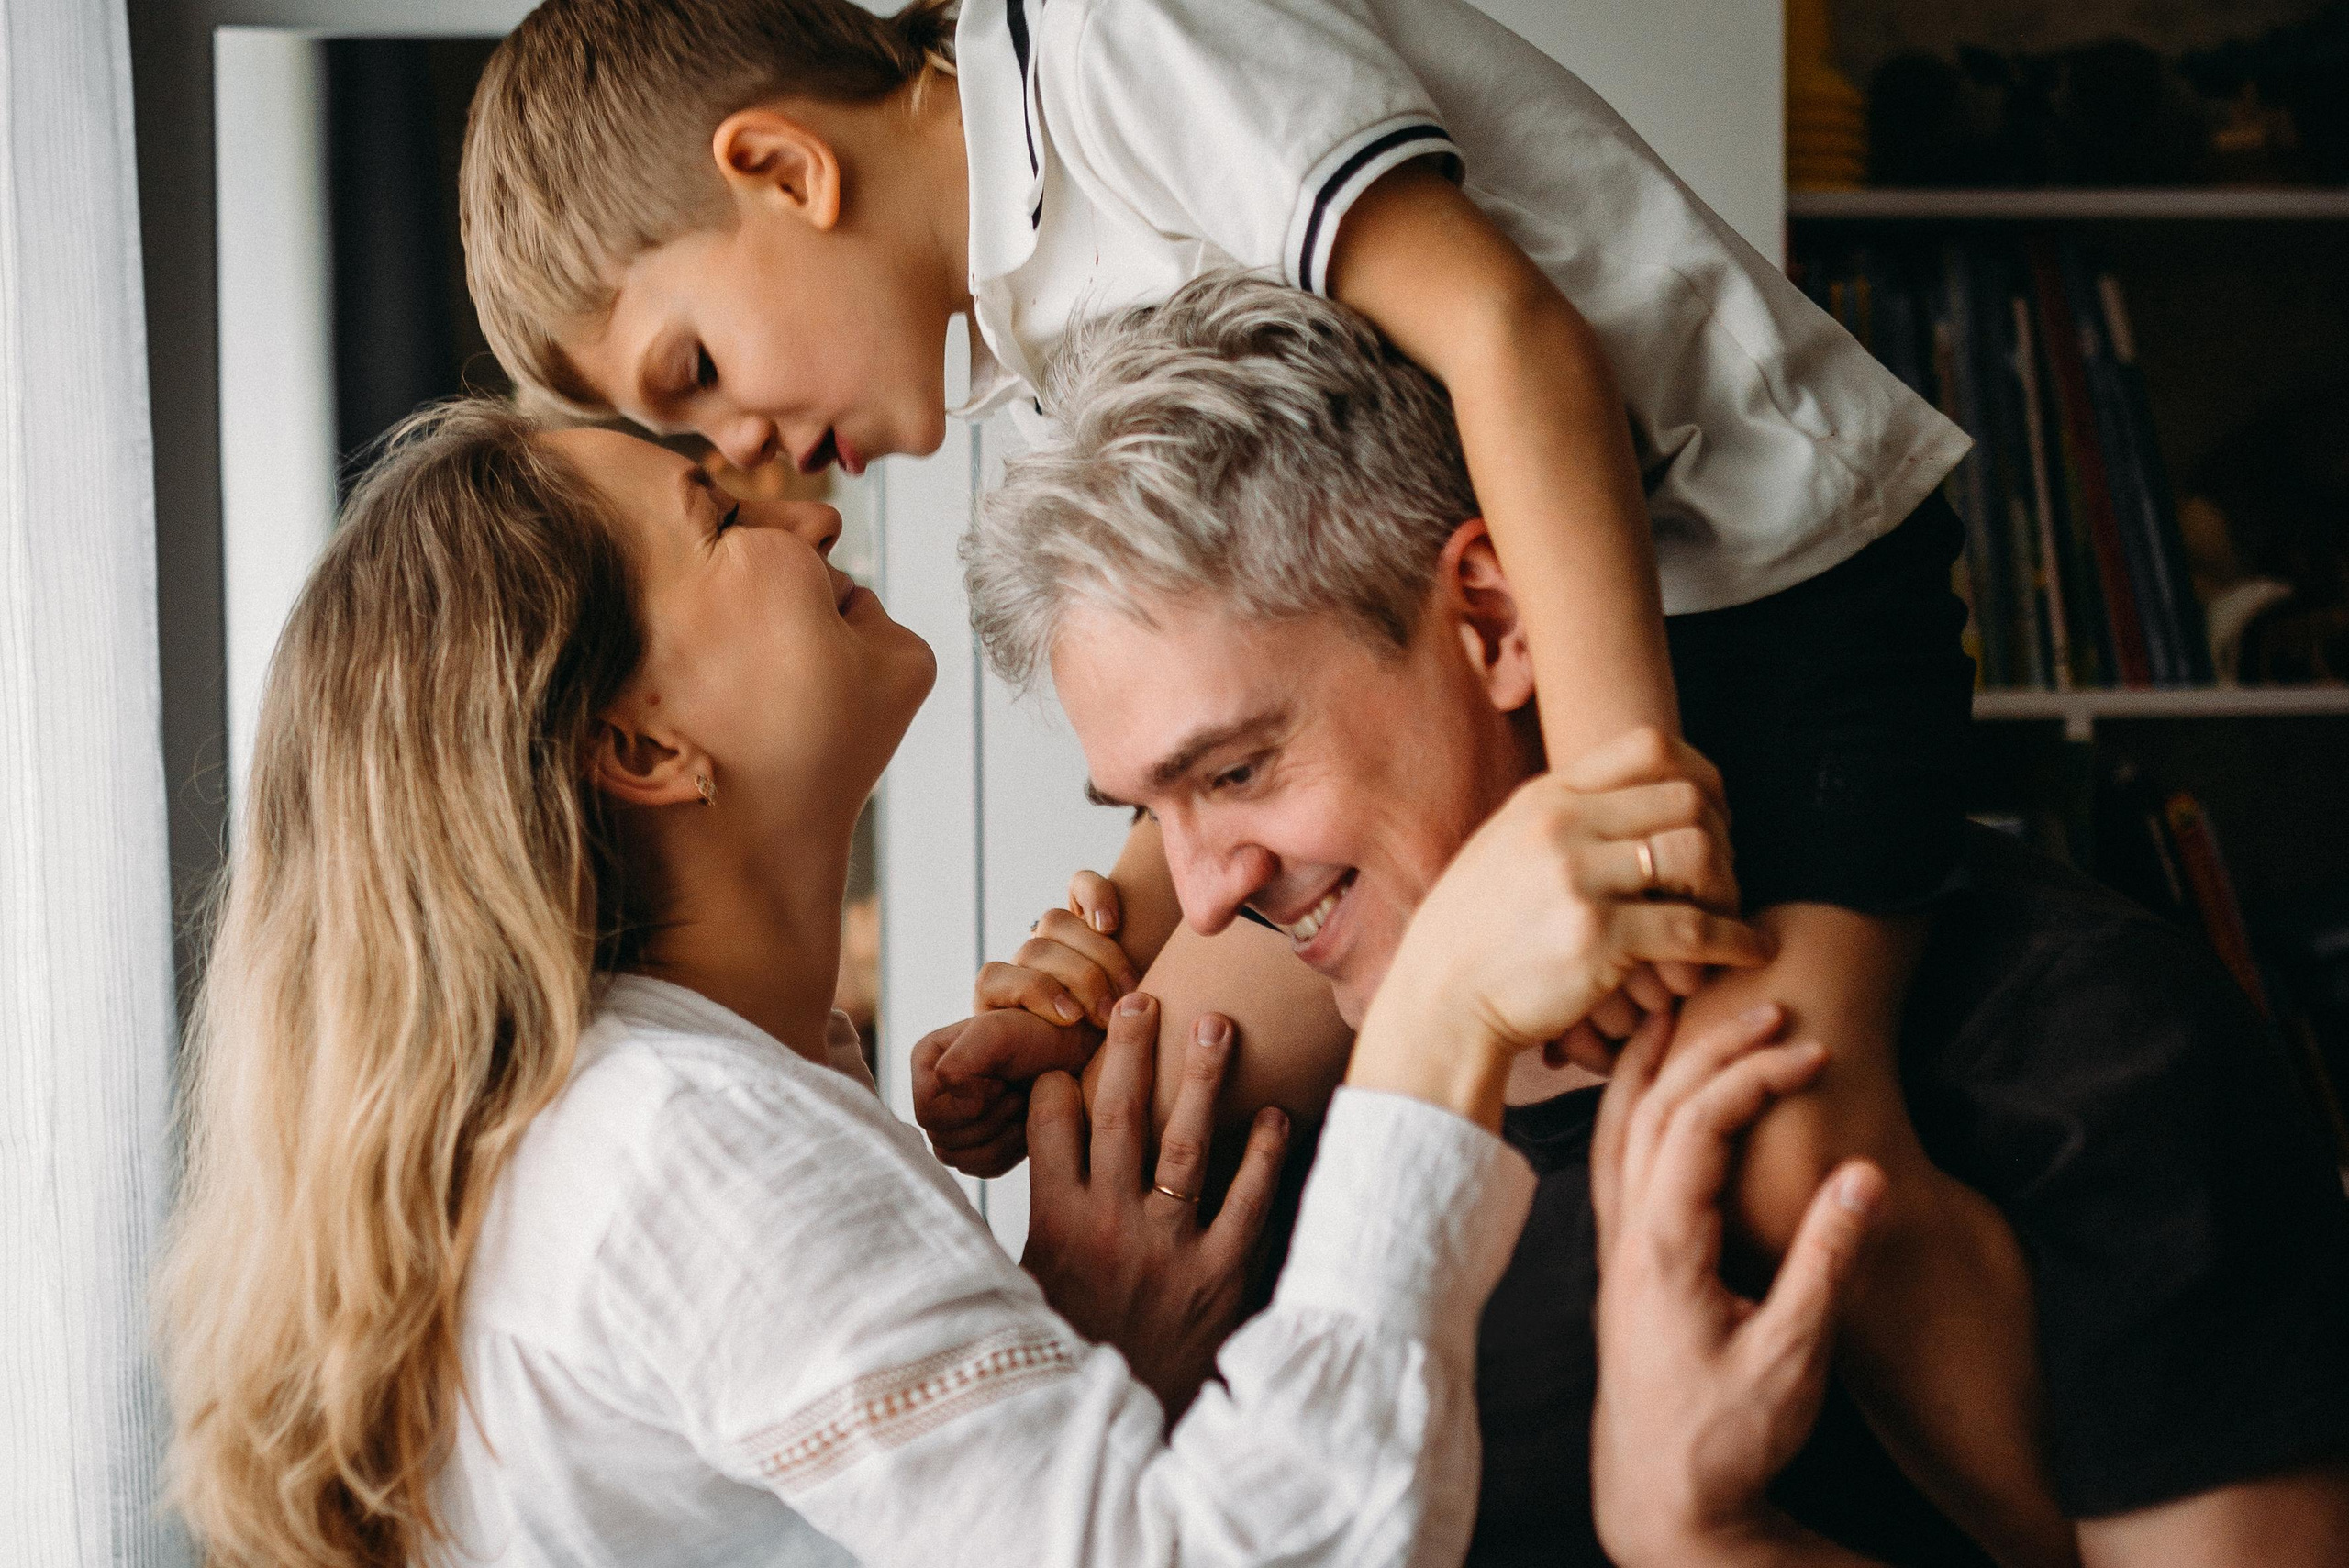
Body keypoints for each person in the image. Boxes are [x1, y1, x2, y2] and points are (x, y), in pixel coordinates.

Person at [455, 9, 2058, 1554]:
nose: (751, 451)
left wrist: (1617, 796)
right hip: (1568, 620)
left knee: (1786, 1147)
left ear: (784, 170)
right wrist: (1097, 966)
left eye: (693, 374)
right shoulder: (1036, 309)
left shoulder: (1118, 51)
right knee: (1175, 1076)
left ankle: (2072, 1536)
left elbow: (1509, 336)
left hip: (1767, 586)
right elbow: (1236, 704)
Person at [154, 399, 1829, 1568]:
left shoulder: (668, 1104)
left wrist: (1066, 1361)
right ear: (642, 742)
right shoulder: (675, 1144)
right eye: (719, 517)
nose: (806, 505)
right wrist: (1442, 1023)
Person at [936, 277, 2349, 1564]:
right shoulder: (1233, 1167)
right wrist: (1117, 1406)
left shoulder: (2083, 1054)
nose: (1199, 892)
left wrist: (1710, 1534)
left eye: (1237, 771)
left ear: (1491, 618)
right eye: (1143, 806)